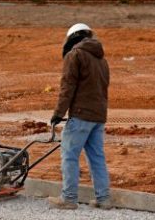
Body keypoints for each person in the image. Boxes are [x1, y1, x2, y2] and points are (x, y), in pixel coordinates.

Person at [48, 23, 111, 210]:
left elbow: (67, 87)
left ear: (72, 37)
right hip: (98, 117)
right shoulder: (102, 60)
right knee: (97, 157)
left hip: (81, 115)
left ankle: (68, 198)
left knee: (69, 155)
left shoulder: (75, 55)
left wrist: (58, 114)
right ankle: (104, 198)